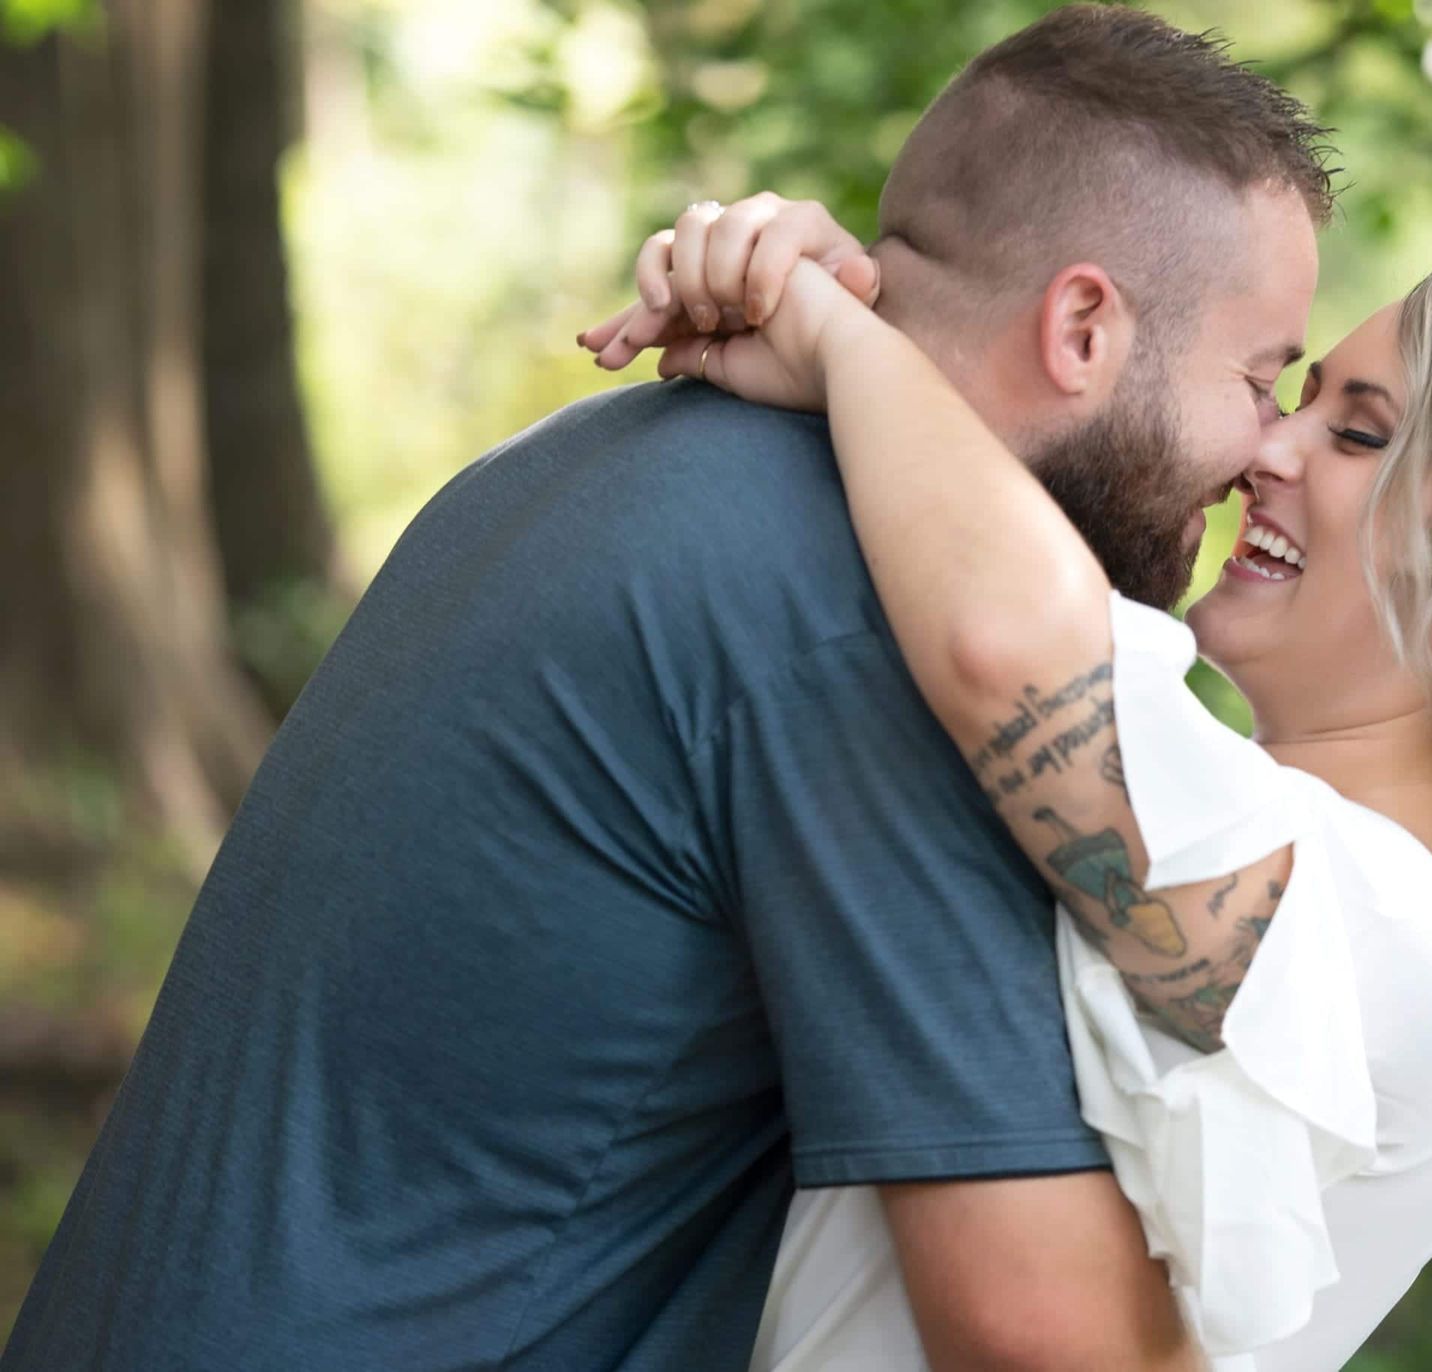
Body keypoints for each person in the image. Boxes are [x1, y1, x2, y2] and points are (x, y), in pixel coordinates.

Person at [1, 9, 1332, 1371]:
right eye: (1259, 377)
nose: (1267, 451)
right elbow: (1046, 1336)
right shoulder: (868, 627)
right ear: (1084, 328)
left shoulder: (583, 458)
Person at [582, 196, 1432, 1369]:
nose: (1266, 449)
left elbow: (1004, 641)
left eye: (1359, 435)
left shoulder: (1426, 964)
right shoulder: (1224, 809)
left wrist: (844, 338)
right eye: (1295, 399)